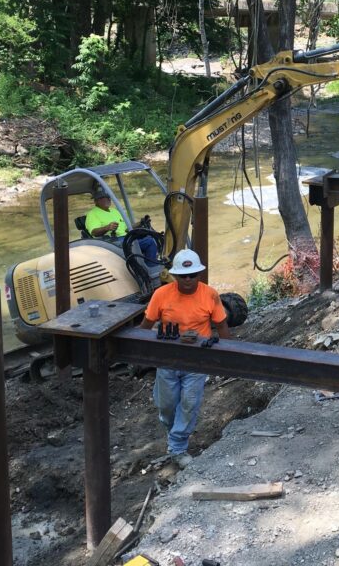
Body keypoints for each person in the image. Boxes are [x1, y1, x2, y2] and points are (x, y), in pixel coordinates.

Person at [139, 249, 230, 467]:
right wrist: (138, 351)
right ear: (175, 276)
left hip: (197, 360)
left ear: (199, 274)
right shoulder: (161, 295)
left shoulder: (210, 295)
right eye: (183, 276)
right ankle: (174, 433)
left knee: (189, 403)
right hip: (167, 359)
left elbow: (222, 327)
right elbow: (146, 326)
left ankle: (178, 447)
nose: (188, 280)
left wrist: (229, 356)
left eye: (192, 275)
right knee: (167, 405)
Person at [85, 188, 158, 262]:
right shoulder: (92, 214)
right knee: (149, 242)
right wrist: (107, 228)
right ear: (96, 201)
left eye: (108, 197)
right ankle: (150, 266)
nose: (108, 199)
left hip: (126, 237)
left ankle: (148, 265)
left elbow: (127, 228)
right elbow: (94, 232)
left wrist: (141, 223)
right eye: (103, 198)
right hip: (112, 242)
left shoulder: (115, 211)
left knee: (151, 237)